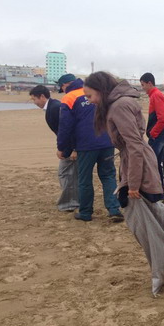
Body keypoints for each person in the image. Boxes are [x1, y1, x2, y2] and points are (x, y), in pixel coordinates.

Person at [83, 72, 164, 295]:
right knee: (150, 221)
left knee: (150, 224)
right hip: (137, 165)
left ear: (101, 91)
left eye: (90, 95)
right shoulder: (120, 103)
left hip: (139, 169)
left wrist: (132, 184)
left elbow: (133, 145)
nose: (89, 100)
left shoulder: (119, 106)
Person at [56, 74, 123, 223]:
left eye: (61, 87)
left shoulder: (69, 97)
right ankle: (114, 209)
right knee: (108, 175)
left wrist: (62, 148)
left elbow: (65, 127)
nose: (62, 90)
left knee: (84, 179)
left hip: (86, 145)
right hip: (106, 142)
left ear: (66, 85)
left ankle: (86, 212)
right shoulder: (99, 91)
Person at [29, 84, 79, 212]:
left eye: (34, 99)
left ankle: (70, 203)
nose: (34, 102)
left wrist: (73, 149)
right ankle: (72, 201)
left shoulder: (55, 107)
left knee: (65, 174)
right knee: (71, 174)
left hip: (70, 147)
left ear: (42, 96)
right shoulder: (53, 106)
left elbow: (69, 128)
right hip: (69, 146)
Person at [140, 72, 164, 186]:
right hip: (160, 134)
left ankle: (158, 193)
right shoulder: (154, 95)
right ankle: (159, 192)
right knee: (155, 163)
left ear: (149, 83)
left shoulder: (156, 95)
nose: (142, 88)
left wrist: (153, 133)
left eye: (143, 85)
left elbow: (162, 119)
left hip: (159, 135)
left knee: (153, 164)